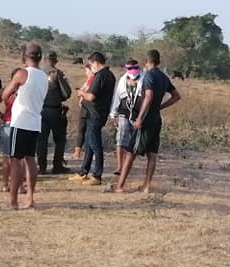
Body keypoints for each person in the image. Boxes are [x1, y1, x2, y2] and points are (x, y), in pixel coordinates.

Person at [117, 49, 181, 193]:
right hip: (156, 120)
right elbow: (176, 96)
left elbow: (149, 95)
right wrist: (160, 107)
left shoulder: (148, 76)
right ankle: (146, 185)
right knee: (152, 154)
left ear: (146, 62)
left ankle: (120, 186)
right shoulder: (164, 77)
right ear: (158, 62)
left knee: (130, 152)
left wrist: (139, 118)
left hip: (145, 120)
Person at [0, 42, 48, 209]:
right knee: (30, 160)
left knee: (15, 163)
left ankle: (13, 201)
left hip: (20, 122)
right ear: (40, 58)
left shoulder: (22, 73)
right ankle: (30, 198)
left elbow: (5, 95)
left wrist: (14, 91)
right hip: (35, 122)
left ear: (24, 57)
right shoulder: (44, 76)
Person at [69, 52, 116, 186]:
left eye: (90, 64)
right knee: (89, 144)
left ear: (95, 62)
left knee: (95, 144)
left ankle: (97, 175)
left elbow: (91, 96)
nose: (90, 67)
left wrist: (81, 93)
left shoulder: (101, 75)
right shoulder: (110, 75)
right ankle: (83, 172)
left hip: (96, 114)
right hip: (95, 113)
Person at [38, 53, 72, 174]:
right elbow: (66, 93)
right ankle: (57, 165)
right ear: (55, 61)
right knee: (60, 140)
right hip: (55, 110)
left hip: (40, 110)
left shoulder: (37, 74)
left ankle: (42, 167)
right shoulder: (57, 74)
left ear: (44, 59)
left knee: (41, 140)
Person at [108, 61, 142, 179]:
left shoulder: (144, 79)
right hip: (124, 113)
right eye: (130, 68)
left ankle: (128, 165)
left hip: (138, 114)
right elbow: (117, 98)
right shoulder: (122, 81)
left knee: (132, 141)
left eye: (135, 67)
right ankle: (120, 166)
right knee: (121, 139)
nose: (133, 70)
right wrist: (113, 114)